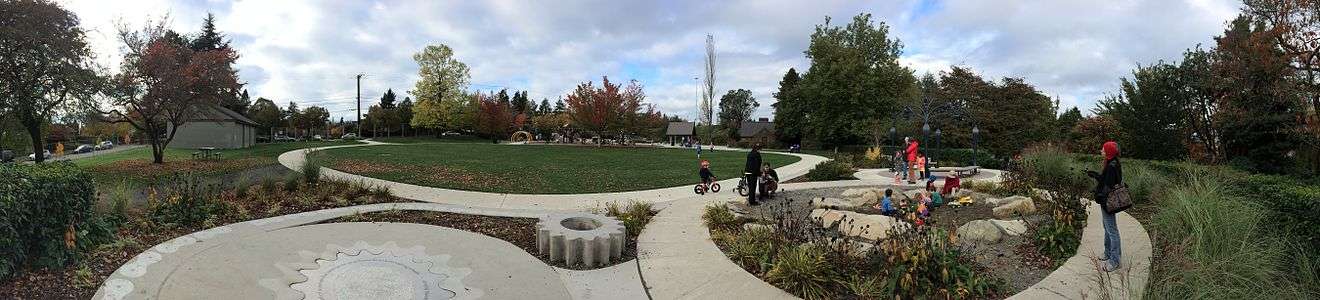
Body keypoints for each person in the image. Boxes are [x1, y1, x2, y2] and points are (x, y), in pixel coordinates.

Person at [1086, 141, 1124, 272]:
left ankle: (1115, 260)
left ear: (1108, 152)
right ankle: (1108, 253)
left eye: (1103, 149)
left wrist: (1098, 195)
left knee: (1112, 230)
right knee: (1107, 227)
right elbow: (1106, 180)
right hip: (1107, 201)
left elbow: (1109, 186)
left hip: (1108, 202)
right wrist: (1096, 175)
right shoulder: (1112, 163)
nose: (1101, 150)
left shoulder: (1112, 166)